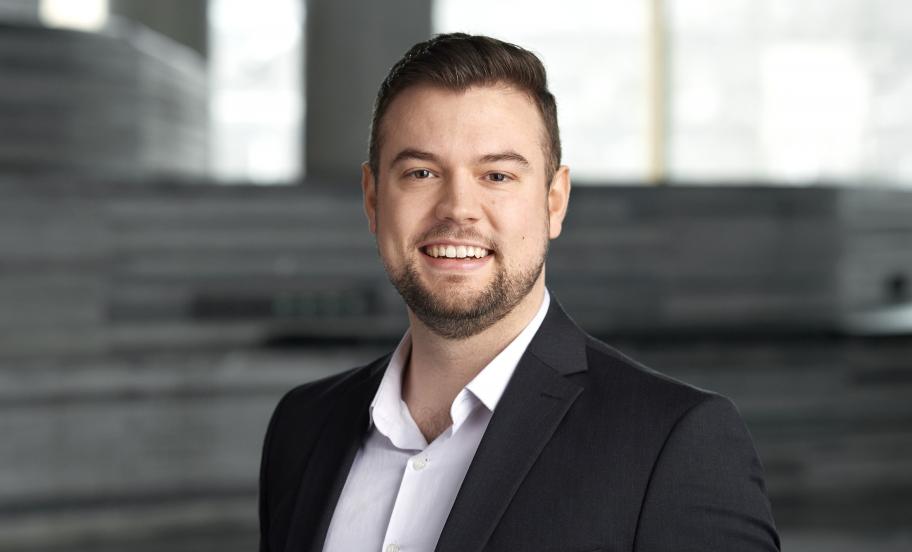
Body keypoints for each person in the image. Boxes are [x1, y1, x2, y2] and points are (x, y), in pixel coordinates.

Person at [259, 33, 780, 552]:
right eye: (421, 172)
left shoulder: (674, 442)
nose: (458, 208)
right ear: (373, 199)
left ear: (554, 201)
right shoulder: (303, 427)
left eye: (497, 175)